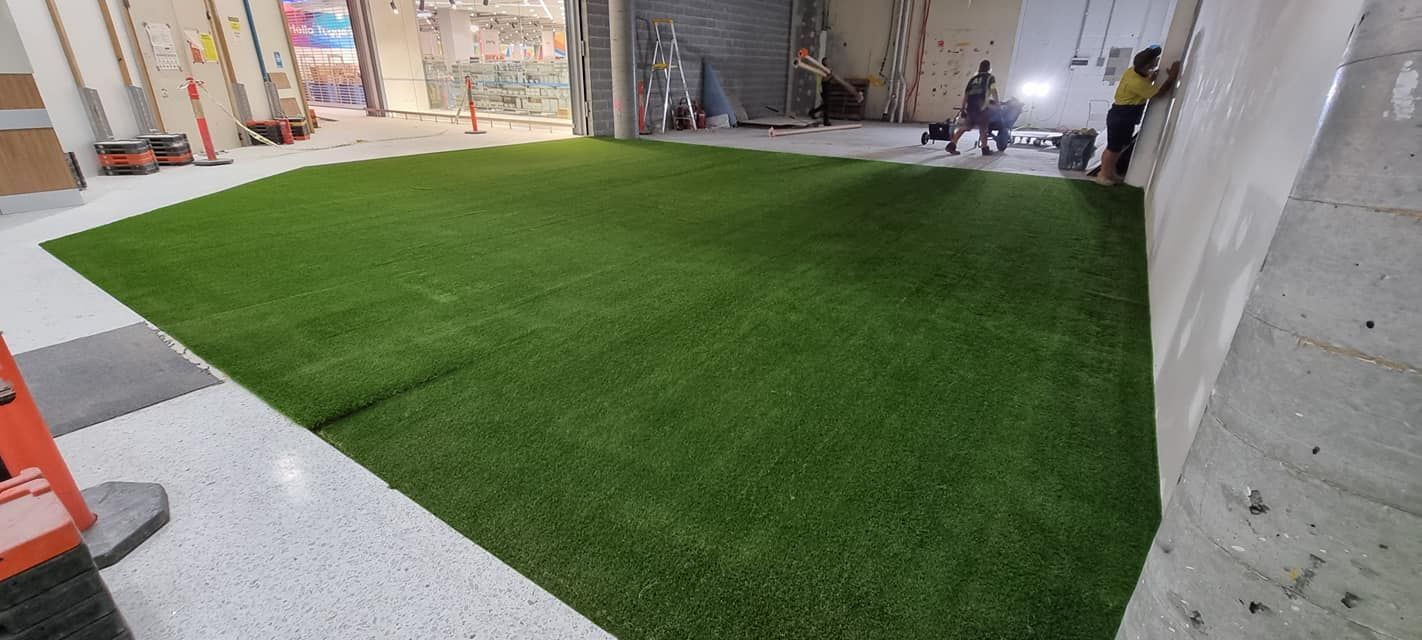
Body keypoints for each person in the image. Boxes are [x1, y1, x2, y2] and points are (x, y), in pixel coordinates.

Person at [1097, 46, 1180, 186]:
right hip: (1121, 116)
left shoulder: (1133, 72)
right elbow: (1159, 93)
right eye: (1154, 60)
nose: (1157, 61)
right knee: (1113, 148)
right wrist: (1171, 77)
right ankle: (1103, 175)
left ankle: (1110, 173)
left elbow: (1144, 82)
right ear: (1147, 65)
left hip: (1124, 115)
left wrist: (1151, 77)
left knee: (1118, 147)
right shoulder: (1136, 82)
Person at [947, 60, 999, 156]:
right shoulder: (990, 78)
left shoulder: (973, 79)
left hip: (971, 106)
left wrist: (963, 108)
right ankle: (984, 148)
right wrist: (997, 104)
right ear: (989, 68)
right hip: (982, 106)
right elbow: (993, 90)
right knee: (983, 128)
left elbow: (966, 95)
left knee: (965, 127)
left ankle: (952, 144)